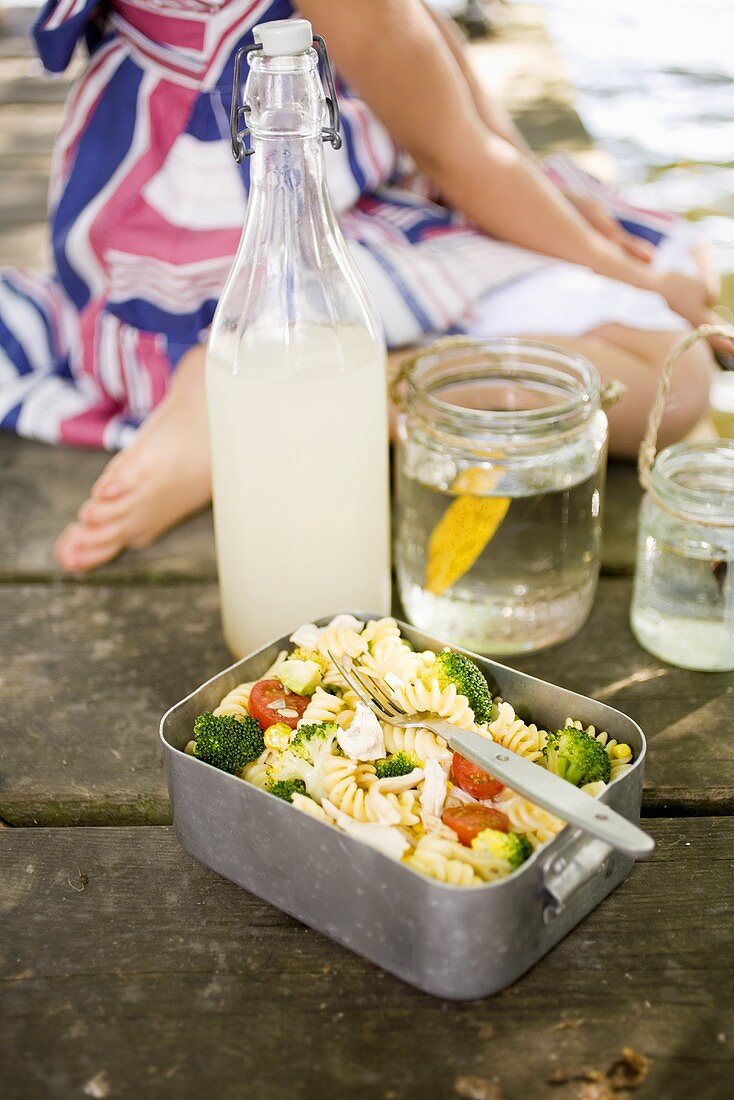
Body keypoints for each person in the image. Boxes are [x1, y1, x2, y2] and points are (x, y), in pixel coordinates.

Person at [1, 0, 725, 573]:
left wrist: (579, 219)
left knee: (683, 253)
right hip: (252, 234)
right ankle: (293, 391)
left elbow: (432, 56)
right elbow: (454, 151)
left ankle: (278, 383)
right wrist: (639, 282)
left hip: (137, 226)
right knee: (675, 371)